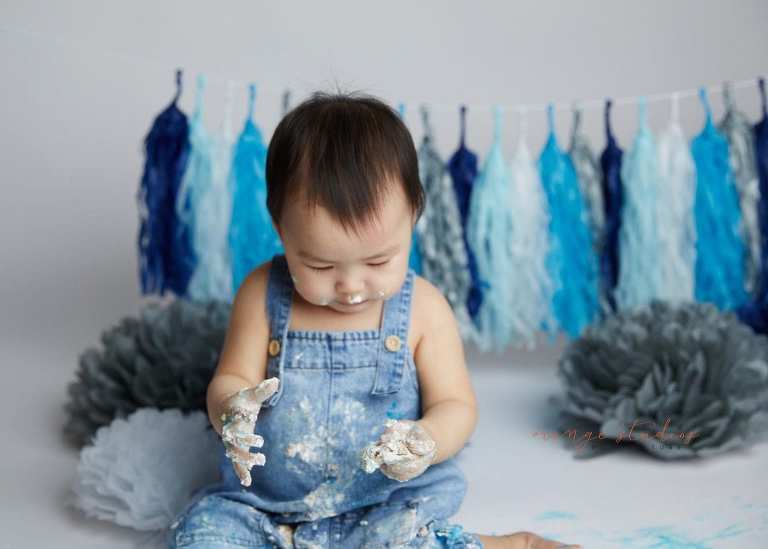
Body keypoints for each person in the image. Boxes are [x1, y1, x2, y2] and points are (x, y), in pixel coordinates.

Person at [167, 90, 581, 549]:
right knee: (200, 538)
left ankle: (508, 544)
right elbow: (230, 378)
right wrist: (232, 410)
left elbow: (457, 406)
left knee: (411, 544)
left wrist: (426, 439)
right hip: (262, 505)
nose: (352, 286)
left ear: (413, 219)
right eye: (321, 266)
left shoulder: (424, 308)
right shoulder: (260, 293)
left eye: (379, 261)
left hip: (386, 506)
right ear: (280, 228)